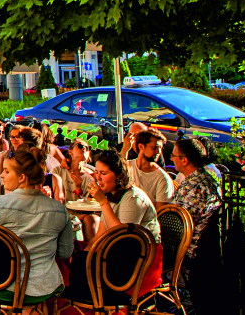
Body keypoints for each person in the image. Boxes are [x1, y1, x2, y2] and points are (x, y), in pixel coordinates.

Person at [0, 145, 74, 314]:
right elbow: (65, 253)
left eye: (7, 171)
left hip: (1, 284)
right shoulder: (60, 210)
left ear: (22, 177)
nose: (1, 175)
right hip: (42, 287)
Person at [74, 149, 162, 299]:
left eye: (104, 173)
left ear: (119, 176)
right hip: (117, 251)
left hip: (140, 256)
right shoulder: (113, 196)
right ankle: (81, 303)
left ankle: (94, 302)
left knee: (84, 266)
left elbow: (122, 237)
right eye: (97, 173)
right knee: (75, 256)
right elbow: (101, 235)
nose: (98, 178)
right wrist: (85, 253)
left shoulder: (133, 198)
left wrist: (102, 202)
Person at [169, 137, 222, 308]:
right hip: (205, 247)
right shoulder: (207, 180)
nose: (170, 159)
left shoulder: (193, 187)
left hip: (188, 249)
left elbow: (175, 225)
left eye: (173, 155)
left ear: (184, 160)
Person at [128, 129, 173, 208]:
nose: (158, 151)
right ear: (141, 146)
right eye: (154, 147)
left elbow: (161, 212)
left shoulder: (162, 178)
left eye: (160, 148)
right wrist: (125, 149)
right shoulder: (128, 166)